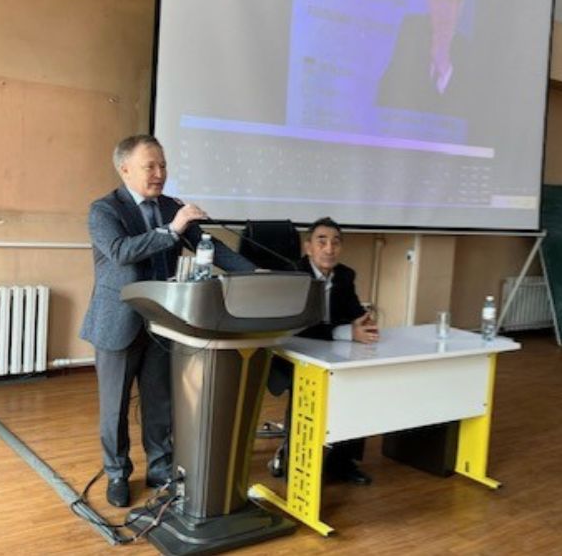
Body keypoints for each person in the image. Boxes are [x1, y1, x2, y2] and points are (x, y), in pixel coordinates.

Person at [80, 134, 256, 507]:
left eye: (163, 165)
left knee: (159, 401)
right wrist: (173, 229)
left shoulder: (170, 207)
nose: (160, 173)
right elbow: (121, 252)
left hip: (163, 322)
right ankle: (117, 473)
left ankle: (160, 467)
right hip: (118, 323)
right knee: (114, 407)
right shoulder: (104, 210)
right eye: (150, 166)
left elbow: (211, 247)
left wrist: (254, 273)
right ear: (125, 169)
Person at [267, 217, 379, 485]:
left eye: (335, 243)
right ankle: (295, 460)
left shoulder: (345, 275)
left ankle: (342, 462)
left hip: (329, 351)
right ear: (308, 248)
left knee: (357, 381)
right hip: (291, 352)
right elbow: (298, 326)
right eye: (322, 241)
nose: (329, 249)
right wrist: (347, 333)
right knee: (307, 390)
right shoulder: (293, 275)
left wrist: (364, 321)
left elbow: (353, 311)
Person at [377, 0, 473, 118]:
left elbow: (464, 116)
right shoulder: (411, 30)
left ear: (460, 6)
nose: (442, 4)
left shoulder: (470, 54)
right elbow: (386, 94)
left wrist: (444, 69)